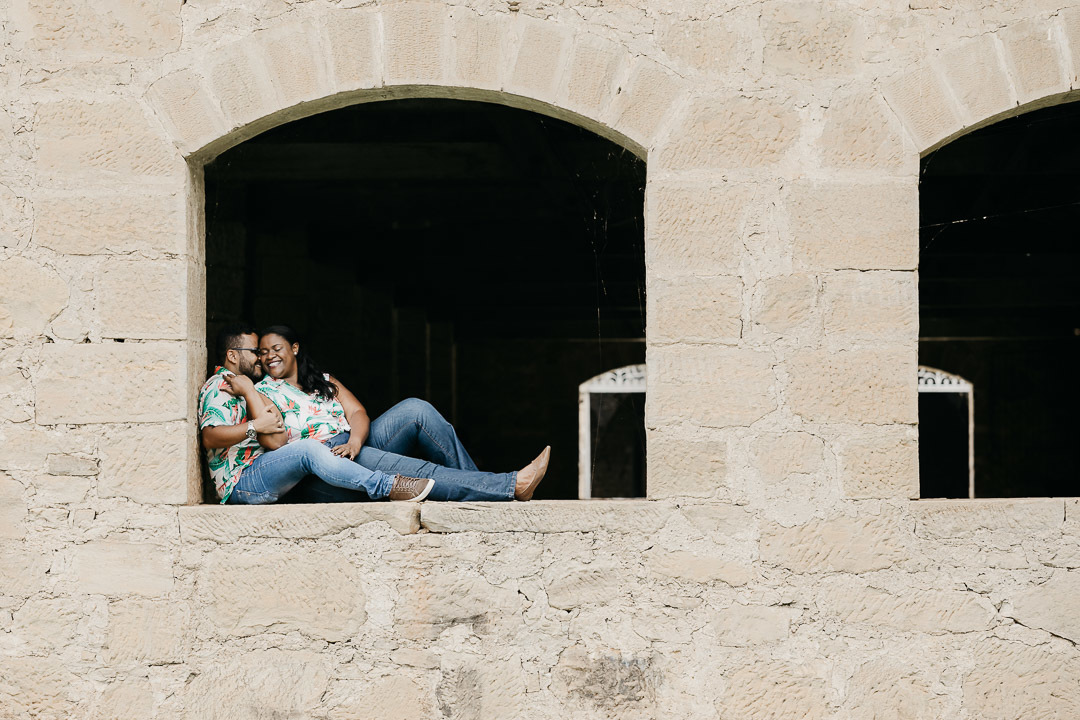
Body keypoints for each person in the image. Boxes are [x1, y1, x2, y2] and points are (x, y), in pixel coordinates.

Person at [197, 323, 549, 504]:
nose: (267, 358)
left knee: (415, 409)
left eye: (275, 349)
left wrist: (355, 438)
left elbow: (358, 411)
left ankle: (480, 491)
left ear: (295, 348)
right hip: (325, 465)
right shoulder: (260, 391)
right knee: (418, 472)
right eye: (261, 352)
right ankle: (508, 486)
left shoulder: (321, 380)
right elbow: (274, 442)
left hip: (350, 444)